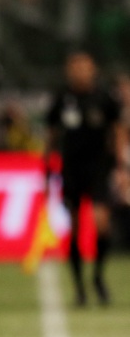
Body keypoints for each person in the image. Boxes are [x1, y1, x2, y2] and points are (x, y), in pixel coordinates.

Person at [44, 51, 129, 306]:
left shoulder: (105, 98)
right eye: (75, 67)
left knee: (101, 223)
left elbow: (117, 130)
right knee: (74, 227)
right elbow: (51, 134)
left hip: (99, 168)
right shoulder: (62, 98)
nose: (80, 72)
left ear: (93, 70)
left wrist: (120, 166)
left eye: (84, 67)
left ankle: (98, 277)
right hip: (71, 169)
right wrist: (46, 167)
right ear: (68, 71)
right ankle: (79, 287)